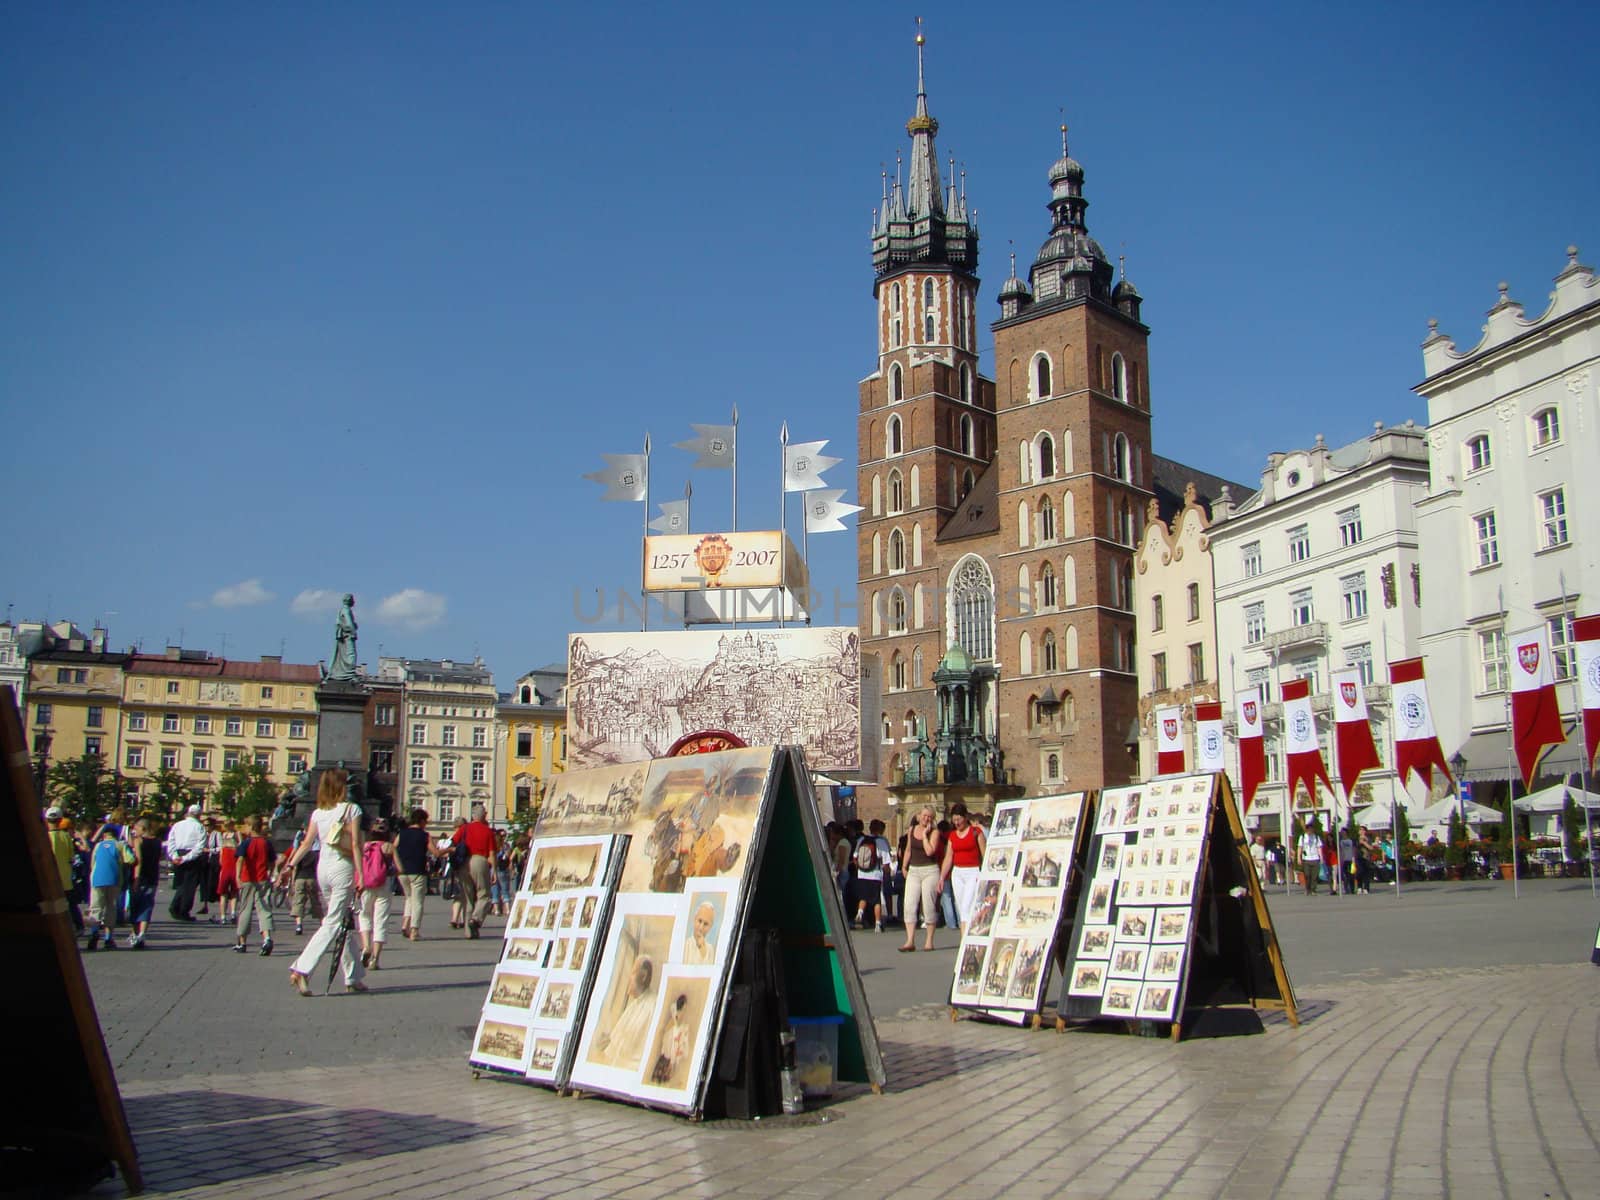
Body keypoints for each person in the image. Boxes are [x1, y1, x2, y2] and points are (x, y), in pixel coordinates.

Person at [280, 769, 367, 996]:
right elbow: (356, 844)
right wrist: (361, 873)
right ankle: (302, 968)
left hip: (323, 869)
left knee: (341, 923)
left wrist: (290, 865)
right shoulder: (352, 809)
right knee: (333, 922)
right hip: (342, 868)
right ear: (341, 787)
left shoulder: (318, 813)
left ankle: (353, 976)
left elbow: (307, 843)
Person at [592, 956, 656, 1069]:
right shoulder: (635, 1004)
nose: (629, 978)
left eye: (633, 972)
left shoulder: (652, 1006)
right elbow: (617, 1041)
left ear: (644, 976)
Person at [898, 806, 942, 952]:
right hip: (914, 870)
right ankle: (910, 940)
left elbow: (930, 851)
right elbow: (908, 849)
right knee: (909, 904)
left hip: (930, 870)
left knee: (928, 905)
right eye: (924, 816)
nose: (926, 818)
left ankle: (929, 940)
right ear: (919, 816)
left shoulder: (934, 832)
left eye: (930, 816)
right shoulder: (911, 830)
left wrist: (924, 836)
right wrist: (904, 866)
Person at [450, 804, 497, 938]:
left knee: (467, 897)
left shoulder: (464, 828)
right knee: (484, 895)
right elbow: (492, 854)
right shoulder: (488, 831)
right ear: (484, 815)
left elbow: (453, 842)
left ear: (472, 815)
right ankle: (475, 919)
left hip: (464, 862)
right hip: (480, 861)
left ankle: (468, 932)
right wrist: (494, 871)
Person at [234, 814, 277, 955]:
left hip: (248, 879)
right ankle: (267, 938)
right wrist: (270, 873)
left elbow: (240, 859)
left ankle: (242, 942)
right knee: (264, 910)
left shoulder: (246, 842)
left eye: (246, 825)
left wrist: (238, 876)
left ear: (251, 827)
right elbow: (272, 861)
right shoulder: (266, 843)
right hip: (262, 879)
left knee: (245, 909)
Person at [357, 817, 396, 968]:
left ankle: (366, 947)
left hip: (366, 884)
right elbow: (399, 867)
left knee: (364, 914)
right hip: (383, 883)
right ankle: (375, 958)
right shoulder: (388, 846)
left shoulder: (365, 846)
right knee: (381, 919)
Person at [941, 803, 987, 931]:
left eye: (959, 819)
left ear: (965, 817)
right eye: (954, 820)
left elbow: (985, 854)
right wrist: (942, 877)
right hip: (957, 872)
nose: (956, 823)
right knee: (961, 906)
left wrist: (985, 874)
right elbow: (948, 857)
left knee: (967, 905)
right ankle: (969, 934)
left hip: (973, 871)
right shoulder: (952, 835)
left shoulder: (976, 832)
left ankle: (964, 938)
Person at [165, 803, 207, 921]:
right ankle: (183, 910)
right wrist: (186, 858)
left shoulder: (177, 825)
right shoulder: (199, 827)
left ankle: (176, 907)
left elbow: (171, 841)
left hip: (178, 853)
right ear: (198, 815)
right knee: (190, 885)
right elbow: (200, 846)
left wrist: (174, 856)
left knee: (181, 883)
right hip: (191, 856)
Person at [849, 819, 892, 932]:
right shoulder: (881, 842)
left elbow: (855, 857)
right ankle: (878, 923)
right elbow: (886, 863)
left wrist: (860, 868)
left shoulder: (862, 840)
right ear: (880, 829)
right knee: (876, 901)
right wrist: (886, 873)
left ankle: (860, 912)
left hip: (862, 874)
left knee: (863, 897)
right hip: (875, 875)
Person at [395, 807, 431, 941]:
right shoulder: (424, 835)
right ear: (421, 821)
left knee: (409, 898)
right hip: (417, 871)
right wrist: (449, 850)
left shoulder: (402, 833)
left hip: (402, 871)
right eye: (425, 821)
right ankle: (414, 930)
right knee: (418, 901)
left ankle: (405, 924)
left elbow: (393, 847)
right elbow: (435, 852)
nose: (425, 824)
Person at [85, 824, 123, 951]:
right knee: (110, 907)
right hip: (113, 879)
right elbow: (128, 860)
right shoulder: (119, 845)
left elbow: (92, 864)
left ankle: (94, 933)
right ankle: (108, 938)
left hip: (97, 879)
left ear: (104, 835)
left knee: (96, 907)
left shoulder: (98, 846)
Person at [127, 817, 162, 949]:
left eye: (136, 828)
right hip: (153, 876)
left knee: (135, 905)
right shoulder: (158, 842)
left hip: (140, 878)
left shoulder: (139, 841)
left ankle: (135, 934)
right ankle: (142, 934)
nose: (135, 831)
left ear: (143, 828)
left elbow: (139, 861)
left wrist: (136, 878)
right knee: (147, 905)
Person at [290, 830, 323, 935]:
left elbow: (295, 868)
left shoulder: (299, 854)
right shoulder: (315, 854)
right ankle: (322, 923)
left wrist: (292, 881)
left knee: (298, 902)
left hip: (300, 878)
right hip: (312, 878)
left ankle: (299, 925)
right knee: (315, 902)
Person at [217, 820, 240, 926]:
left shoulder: (236, 834)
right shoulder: (224, 834)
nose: (226, 827)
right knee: (224, 892)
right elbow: (221, 850)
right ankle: (224, 915)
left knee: (232, 892)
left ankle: (232, 913)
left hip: (232, 863)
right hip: (227, 863)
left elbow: (240, 846)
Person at [1296, 822, 1322, 896]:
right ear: (1306, 830)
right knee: (1307, 875)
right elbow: (1300, 847)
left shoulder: (1316, 837)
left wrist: (1321, 857)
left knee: (1314, 876)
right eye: (1309, 829)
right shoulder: (1303, 837)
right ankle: (1308, 889)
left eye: (1312, 829)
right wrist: (1298, 858)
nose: (1310, 830)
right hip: (1306, 859)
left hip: (1315, 858)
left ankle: (1313, 890)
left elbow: (1319, 847)